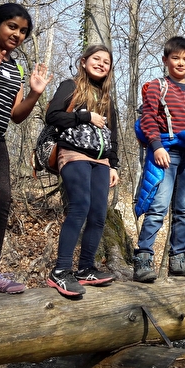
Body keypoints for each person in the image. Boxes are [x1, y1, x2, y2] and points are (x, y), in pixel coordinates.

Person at [0, 3, 51, 294]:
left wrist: (34, 92)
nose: (18, 34)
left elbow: (17, 115)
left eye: (23, 31)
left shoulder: (18, 65)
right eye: (12, 26)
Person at [132, 36, 185, 283]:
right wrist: (155, 147)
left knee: (183, 210)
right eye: (175, 58)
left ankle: (178, 258)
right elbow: (147, 119)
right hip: (165, 152)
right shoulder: (157, 86)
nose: (181, 63)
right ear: (165, 60)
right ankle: (143, 258)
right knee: (158, 206)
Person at [45, 44, 119, 298]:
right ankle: (60, 270)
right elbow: (53, 116)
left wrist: (114, 164)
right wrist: (84, 117)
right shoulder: (71, 86)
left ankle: (86, 268)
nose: (101, 64)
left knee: (98, 214)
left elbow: (114, 133)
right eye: (96, 59)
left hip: (101, 161)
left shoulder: (107, 96)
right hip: (74, 154)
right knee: (80, 207)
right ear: (84, 61)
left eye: (106, 62)